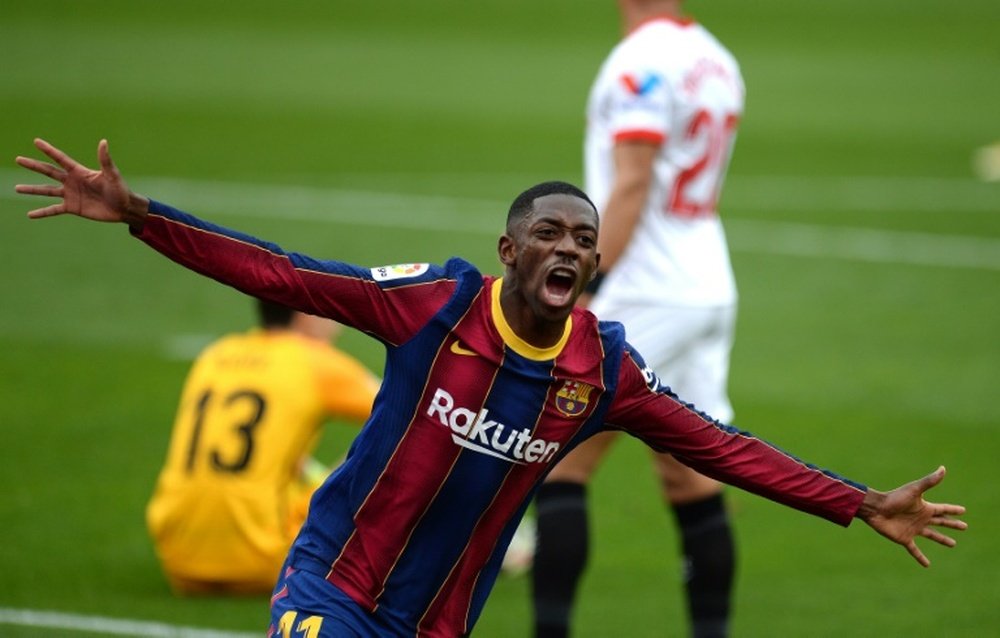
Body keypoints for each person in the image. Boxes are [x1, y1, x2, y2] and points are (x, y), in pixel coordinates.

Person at [16, 138, 966, 638]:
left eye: (584, 240)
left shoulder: (603, 373)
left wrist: (859, 502)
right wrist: (141, 215)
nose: (570, 248)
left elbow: (721, 446)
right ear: (510, 250)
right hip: (333, 588)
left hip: (439, 623)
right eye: (550, 233)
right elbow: (285, 275)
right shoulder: (434, 307)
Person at [533, 2, 743, 636]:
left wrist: (580, 285)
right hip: (708, 283)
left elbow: (631, 183)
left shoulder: (641, 62)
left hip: (646, 288)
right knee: (689, 477)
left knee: (557, 459)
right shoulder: (715, 57)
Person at [146, 297, 381, 595]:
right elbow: (413, 406)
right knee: (397, 447)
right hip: (269, 559)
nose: (338, 326)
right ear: (305, 314)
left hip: (178, 559)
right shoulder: (315, 361)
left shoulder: (216, 354)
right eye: (330, 312)